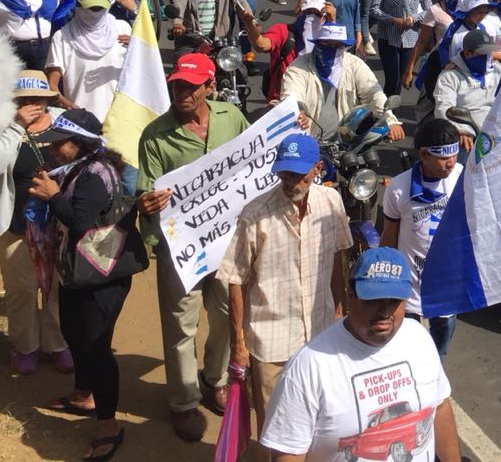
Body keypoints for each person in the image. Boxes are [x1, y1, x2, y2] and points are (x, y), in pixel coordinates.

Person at [135, 53, 250, 442]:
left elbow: (257, 155)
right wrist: (146, 202)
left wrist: (293, 126)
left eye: (191, 86)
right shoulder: (155, 134)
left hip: (227, 242)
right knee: (181, 324)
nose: (182, 93)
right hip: (181, 247)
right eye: (177, 86)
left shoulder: (230, 118)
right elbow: (145, 186)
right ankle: (183, 401)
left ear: (209, 87)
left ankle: (214, 378)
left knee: (224, 315)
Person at [259, 246, 462, 462]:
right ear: (350, 296)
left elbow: (439, 409)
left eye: (394, 300)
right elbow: (289, 453)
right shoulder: (309, 366)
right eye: (373, 299)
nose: (384, 311)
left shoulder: (419, 339)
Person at [219, 132, 351, 439]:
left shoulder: (331, 202)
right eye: (285, 173)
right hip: (271, 341)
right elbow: (235, 281)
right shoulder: (255, 215)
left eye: (299, 174)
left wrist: (341, 312)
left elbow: (337, 261)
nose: (291, 182)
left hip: (321, 336)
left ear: (317, 168)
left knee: (321, 419)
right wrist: (238, 346)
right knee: (273, 427)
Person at [27, 109, 138, 462]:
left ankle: (108, 427)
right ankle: (83, 395)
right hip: (82, 273)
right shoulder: (80, 167)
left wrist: (51, 195)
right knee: (75, 333)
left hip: (100, 280)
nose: (53, 149)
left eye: (59, 143)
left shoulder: (93, 174)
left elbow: (81, 223)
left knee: (96, 347)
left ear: (79, 144)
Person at [0, 72, 69, 376]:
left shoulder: (64, 122)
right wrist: (16, 127)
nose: (31, 105)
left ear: (48, 100)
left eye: (37, 100)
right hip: (13, 225)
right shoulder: (1, 127)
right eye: (23, 100)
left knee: (56, 288)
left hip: (56, 225)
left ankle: (58, 345)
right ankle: (25, 346)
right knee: (22, 289)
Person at [380, 119, 464, 358]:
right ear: (424, 154)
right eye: (443, 157)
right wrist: (389, 281)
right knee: (407, 354)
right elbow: (389, 236)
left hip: (447, 290)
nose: (451, 163)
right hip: (411, 293)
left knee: (440, 354)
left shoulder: (462, 178)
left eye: (455, 155)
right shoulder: (398, 188)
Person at [282, 23, 404, 140]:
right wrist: (298, 112)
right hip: (308, 138)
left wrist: (390, 121)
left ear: (344, 47)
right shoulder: (298, 66)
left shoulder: (355, 65)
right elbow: (291, 95)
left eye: (337, 46)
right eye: (327, 44)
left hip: (347, 141)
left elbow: (374, 94)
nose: (332, 50)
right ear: (318, 44)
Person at [45, 0, 131, 120]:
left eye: (99, 7)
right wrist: (70, 108)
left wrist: (138, 48)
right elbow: (52, 86)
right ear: (78, 5)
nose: (94, 13)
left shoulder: (123, 29)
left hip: (118, 122)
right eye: (90, 7)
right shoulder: (62, 37)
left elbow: (141, 73)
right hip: (80, 124)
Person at [236, 0, 332, 104]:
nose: (311, 18)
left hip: (314, 100)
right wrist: (250, 25)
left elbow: (335, 64)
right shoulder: (283, 31)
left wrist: (332, 21)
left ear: (324, 18)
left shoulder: (327, 38)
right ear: (300, 13)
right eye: (308, 13)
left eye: (317, 14)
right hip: (281, 100)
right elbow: (261, 45)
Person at [371, 0, 431, 97]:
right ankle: (385, 112)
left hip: (409, 39)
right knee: (392, 79)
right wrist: (392, 19)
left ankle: (392, 110)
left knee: (402, 78)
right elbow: (374, 9)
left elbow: (430, 11)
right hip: (387, 37)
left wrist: (414, 18)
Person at [432, 29, 500, 144]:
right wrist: (462, 131)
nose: (488, 57)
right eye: (484, 54)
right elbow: (444, 108)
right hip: (469, 136)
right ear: (468, 53)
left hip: (499, 133)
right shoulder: (450, 76)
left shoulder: (499, 72)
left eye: (490, 53)